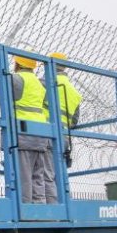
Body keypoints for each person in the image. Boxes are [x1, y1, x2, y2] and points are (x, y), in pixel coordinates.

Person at [10, 54, 55, 203]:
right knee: (38, 176)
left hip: (24, 133)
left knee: (24, 177)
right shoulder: (40, 84)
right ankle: (40, 210)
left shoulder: (16, 79)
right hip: (41, 133)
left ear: (17, 64)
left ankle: (26, 212)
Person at [40, 51, 83, 201]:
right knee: (61, 176)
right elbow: (74, 121)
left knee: (47, 175)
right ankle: (66, 206)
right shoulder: (73, 91)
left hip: (46, 133)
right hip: (64, 136)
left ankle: (54, 211)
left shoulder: (45, 83)